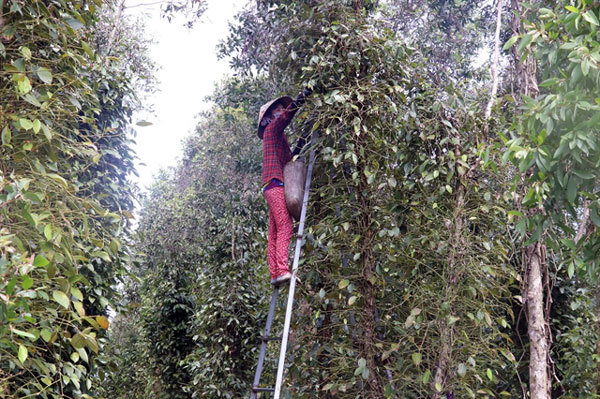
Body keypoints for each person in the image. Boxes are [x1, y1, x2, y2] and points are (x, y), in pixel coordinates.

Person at [257, 88, 312, 286]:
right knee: (286, 226)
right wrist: (303, 96)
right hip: (274, 184)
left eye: (282, 108)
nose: (282, 111)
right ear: (270, 116)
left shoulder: (278, 139)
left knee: (274, 232)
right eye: (278, 109)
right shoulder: (272, 129)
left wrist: (300, 146)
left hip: (271, 185)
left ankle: (275, 273)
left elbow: (289, 159)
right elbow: (287, 117)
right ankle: (281, 269)